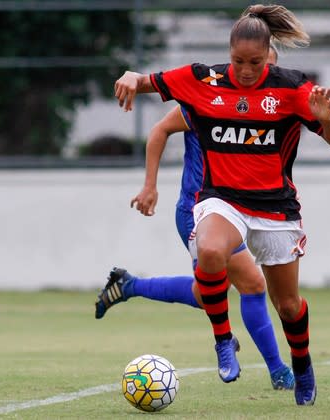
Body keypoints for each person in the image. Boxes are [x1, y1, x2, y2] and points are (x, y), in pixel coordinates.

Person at [113, 4, 330, 406]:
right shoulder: (204, 79)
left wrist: (325, 121)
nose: (247, 69)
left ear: (269, 54)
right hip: (223, 200)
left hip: (275, 208)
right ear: (229, 53)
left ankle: (302, 366)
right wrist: (132, 77)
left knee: (287, 305)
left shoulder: (292, 87)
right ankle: (223, 339)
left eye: (255, 62)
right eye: (239, 61)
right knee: (210, 249)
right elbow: (149, 81)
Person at [94, 47, 296, 391]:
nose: (265, 78)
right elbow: (159, 130)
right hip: (199, 211)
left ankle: (128, 285)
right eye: (265, 68)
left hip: (238, 211)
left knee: (206, 295)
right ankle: (279, 371)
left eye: (271, 70)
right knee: (252, 283)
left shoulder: (269, 105)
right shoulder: (213, 100)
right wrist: (149, 186)